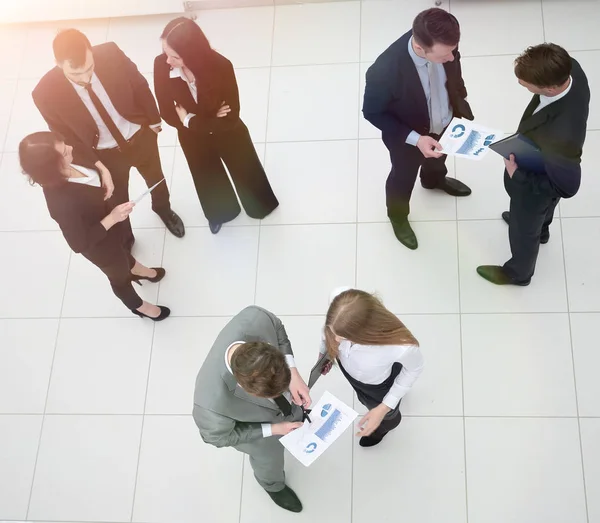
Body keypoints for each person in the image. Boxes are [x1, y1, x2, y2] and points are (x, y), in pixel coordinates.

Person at [32, 29, 185, 241]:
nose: (85, 78)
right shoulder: (44, 94)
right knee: (117, 199)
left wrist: (154, 121)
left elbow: (140, 85)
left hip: (139, 136)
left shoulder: (111, 53)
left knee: (155, 177)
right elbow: (65, 136)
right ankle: (126, 237)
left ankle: (162, 208)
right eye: (76, 74)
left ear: (90, 51)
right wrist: (98, 165)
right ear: (58, 64)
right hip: (105, 155)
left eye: (89, 68)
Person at [19, 132, 170, 321]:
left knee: (124, 251)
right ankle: (140, 307)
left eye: (65, 145)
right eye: (65, 152)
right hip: (101, 245)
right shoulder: (60, 203)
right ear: (51, 167)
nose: (71, 149)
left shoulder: (71, 156)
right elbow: (78, 244)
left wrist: (104, 171)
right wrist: (112, 218)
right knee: (119, 278)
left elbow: (83, 150)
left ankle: (137, 269)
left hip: (113, 226)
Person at [477, 44, 590, 285]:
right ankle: (543, 230)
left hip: (538, 182)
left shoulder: (562, 136)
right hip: (545, 160)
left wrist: (517, 175)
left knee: (523, 228)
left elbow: (566, 187)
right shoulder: (571, 70)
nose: (521, 84)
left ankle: (518, 273)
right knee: (543, 212)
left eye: (525, 83)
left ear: (549, 88)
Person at [154, 17, 279, 234]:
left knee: (245, 168)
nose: (167, 61)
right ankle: (221, 212)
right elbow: (166, 112)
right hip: (193, 138)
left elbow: (230, 118)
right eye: (165, 53)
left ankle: (260, 206)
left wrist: (189, 120)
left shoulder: (221, 66)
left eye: (174, 56)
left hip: (227, 132)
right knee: (206, 176)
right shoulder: (161, 66)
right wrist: (207, 122)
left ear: (192, 54)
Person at [363, 8, 474, 250]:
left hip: (445, 124)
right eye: (445, 55)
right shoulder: (384, 71)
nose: (452, 58)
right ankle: (398, 216)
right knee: (402, 178)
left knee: (439, 159)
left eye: (453, 51)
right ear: (421, 48)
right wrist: (416, 139)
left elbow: (454, 77)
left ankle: (433, 181)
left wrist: (459, 105)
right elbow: (372, 112)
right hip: (409, 138)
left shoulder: (445, 47)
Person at [193, 306, 311, 512]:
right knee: (269, 461)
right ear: (246, 389)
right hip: (260, 432)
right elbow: (218, 438)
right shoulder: (210, 406)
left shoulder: (256, 318)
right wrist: (272, 430)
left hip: (283, 401)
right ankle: (273, 486)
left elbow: (278, 328)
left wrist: (292, 373)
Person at [318, 287, 424, 447]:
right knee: (364, 399)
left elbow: (414, 369)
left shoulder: (401, 347)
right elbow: (327, 334)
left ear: (365, 333)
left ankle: (381, 430)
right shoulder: (341, 304)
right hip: (353, 375)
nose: (337, 339)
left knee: (389, 417)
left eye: (343, 336)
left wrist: (384, 407)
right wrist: (323, 355)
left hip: (378, 385)